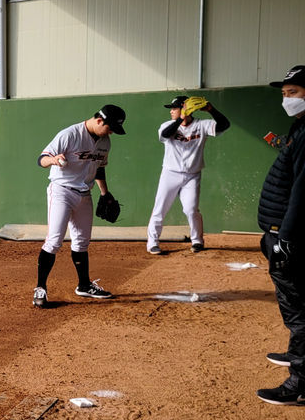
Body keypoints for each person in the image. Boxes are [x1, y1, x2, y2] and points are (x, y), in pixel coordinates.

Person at [32, 104, 126, 308]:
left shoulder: (105, 142)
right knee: (54, 241)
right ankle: (40, 288)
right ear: (99, 121)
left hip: (85, 194)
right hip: (61, 191)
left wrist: (105, 192)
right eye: (109, 127)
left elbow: (99, 169)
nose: (111, 132)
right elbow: (41, 159)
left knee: (82, 242)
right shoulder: (70, 134)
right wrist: (53, 159)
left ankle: (84, 285)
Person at [257, 65, 305, 405]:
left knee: (300, 311)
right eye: (285, 93)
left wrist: (285, 236)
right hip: (286, 231)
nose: (286, 98)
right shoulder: (300, 127)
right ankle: (298, 357)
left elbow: (303, 188)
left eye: (294, 92)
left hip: (293, 236)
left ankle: (299, 383)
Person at [146, 96, 230, 254]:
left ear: (185, 109)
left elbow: (225, 125)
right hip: (170, 174)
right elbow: (165, 135)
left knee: (191, 209)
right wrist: (180, 119)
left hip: (192, 176)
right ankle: (152, 243)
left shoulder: (202, 125)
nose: (171, 111)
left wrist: (211, 110)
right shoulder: (168, 125)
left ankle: (197, 241)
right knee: (160, 209)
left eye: (174, 108)